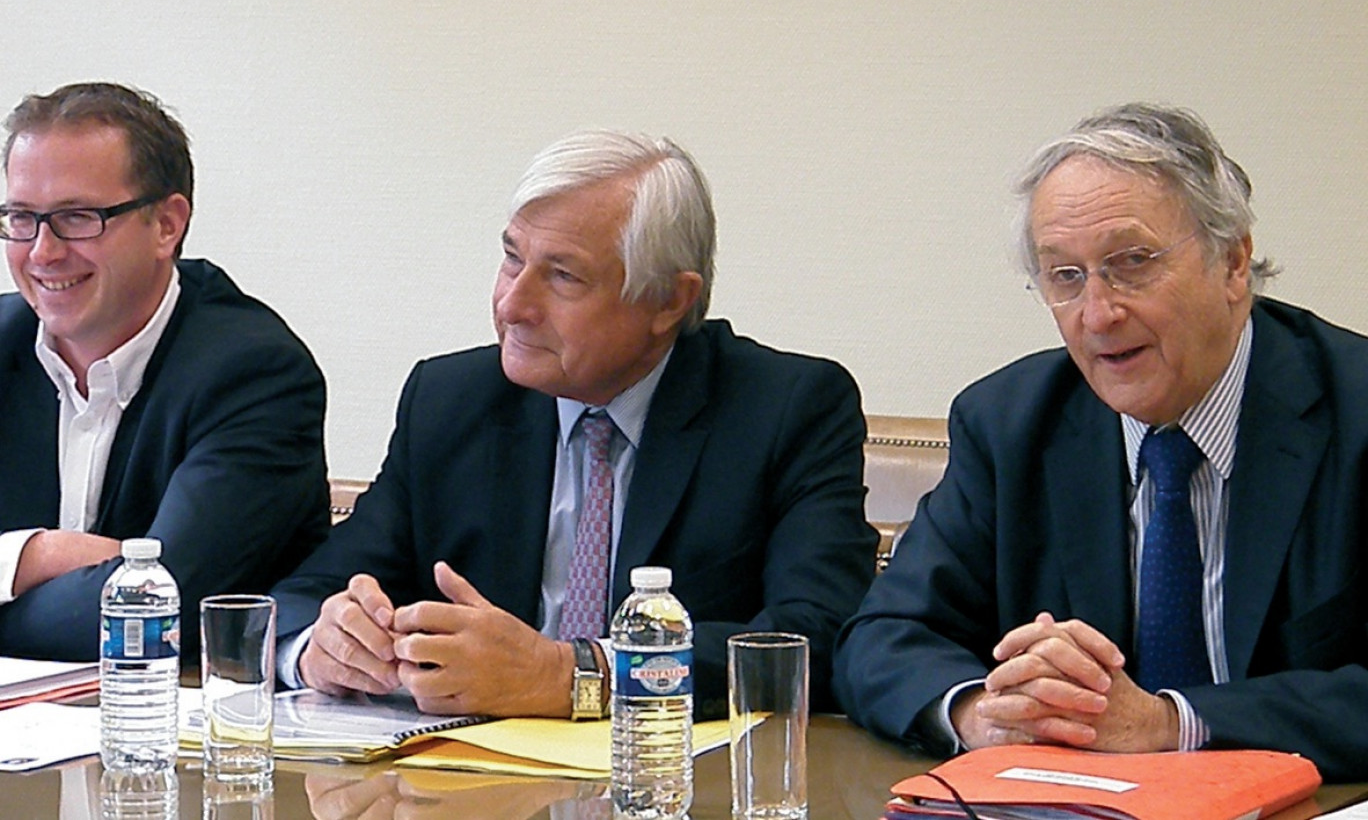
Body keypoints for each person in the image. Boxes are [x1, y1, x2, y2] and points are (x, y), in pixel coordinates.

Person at [833, 103, 1368, 781]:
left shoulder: (1354, 413)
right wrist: (981, 713)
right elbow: (879, 639)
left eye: (1132, 262)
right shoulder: (1008, 423)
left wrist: (1171, 724)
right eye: (1065, 276)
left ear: (1233, 263)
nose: (1098, 314)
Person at [272, 129, 875, 720]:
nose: (512, 305)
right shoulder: (449, 401)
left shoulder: (788, 409)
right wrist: (321, 649)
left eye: (563, 276)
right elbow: (308, 593)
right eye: (512, 258)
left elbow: (814, 638)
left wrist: (574, 675)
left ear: (669, 300)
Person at [0, 82, 330, 660]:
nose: (42, 252)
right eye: (22, 218)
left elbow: (158, 606)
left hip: (177, 728)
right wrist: (39, 556)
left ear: (166, 225)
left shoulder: (255, 373)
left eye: (77, 218)